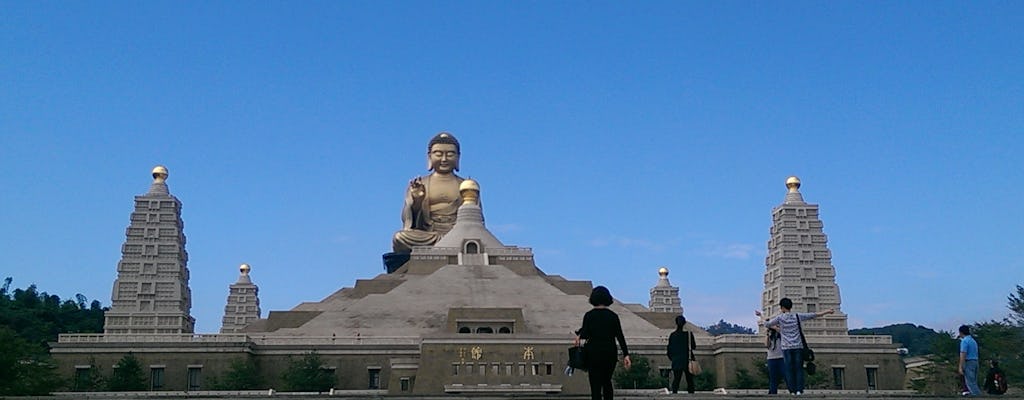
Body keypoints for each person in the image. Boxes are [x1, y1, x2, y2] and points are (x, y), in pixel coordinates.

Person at [392, 132, 465, 252]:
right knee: (400, 237)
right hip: (429, 235)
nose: (444, 159)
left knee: (472, 241)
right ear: (430, 156)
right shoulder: (420, 184)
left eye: (450, 154)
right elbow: (409, 223)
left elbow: (478, 220)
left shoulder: (466, 185)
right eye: (438, 154)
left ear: (458, 157)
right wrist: (417, 201)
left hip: (457, 235)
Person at [764, 298, 834, 395]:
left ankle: (792, 390)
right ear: (791, 307)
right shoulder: (797, 316)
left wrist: (768, 321)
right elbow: (813, 315)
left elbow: (766, 324)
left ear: (782, 308)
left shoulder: (780, 318)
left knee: (789, 369)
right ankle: (799, 390)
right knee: (799, 368)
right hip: (798, 346)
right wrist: (827, 311)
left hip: (786, 347)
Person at [575, 286, 631, 400]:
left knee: (595, 385)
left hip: (593, 353)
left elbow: (585, 334)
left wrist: (579, 334)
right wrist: (626, 354)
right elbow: (620, 336)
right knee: (607, 382)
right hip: (609, 353)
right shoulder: (613, 316)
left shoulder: (589, 315)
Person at [756, 310, 788, 395]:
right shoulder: (770, 334)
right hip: (771, 358)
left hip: (782, 358)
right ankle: (772, 394)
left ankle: (793, 391)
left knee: (786, 376)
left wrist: (770, 325)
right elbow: (767, 345)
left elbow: (778, 329)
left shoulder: (781, 331)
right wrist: (767, 333)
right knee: (773, 378)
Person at [666, 315, 696, 394]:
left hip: (676, 360)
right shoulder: (689, 334)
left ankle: (674, 395)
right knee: (690, 380)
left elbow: (669, 350)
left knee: (676, 380)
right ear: (684, 323)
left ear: (676, 323)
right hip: (688, 360)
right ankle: (691, 396)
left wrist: (673, 358)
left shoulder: (673, 335)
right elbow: (693, 346)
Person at [958, 325, 981, 396]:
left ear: (961, 332)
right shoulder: (973, 341)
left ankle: (978, 397)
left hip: (969, 362)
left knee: (970, 383)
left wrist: (961, 366)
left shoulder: (964, 341)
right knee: (974, 382)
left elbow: (963, 354)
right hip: (975, 361)